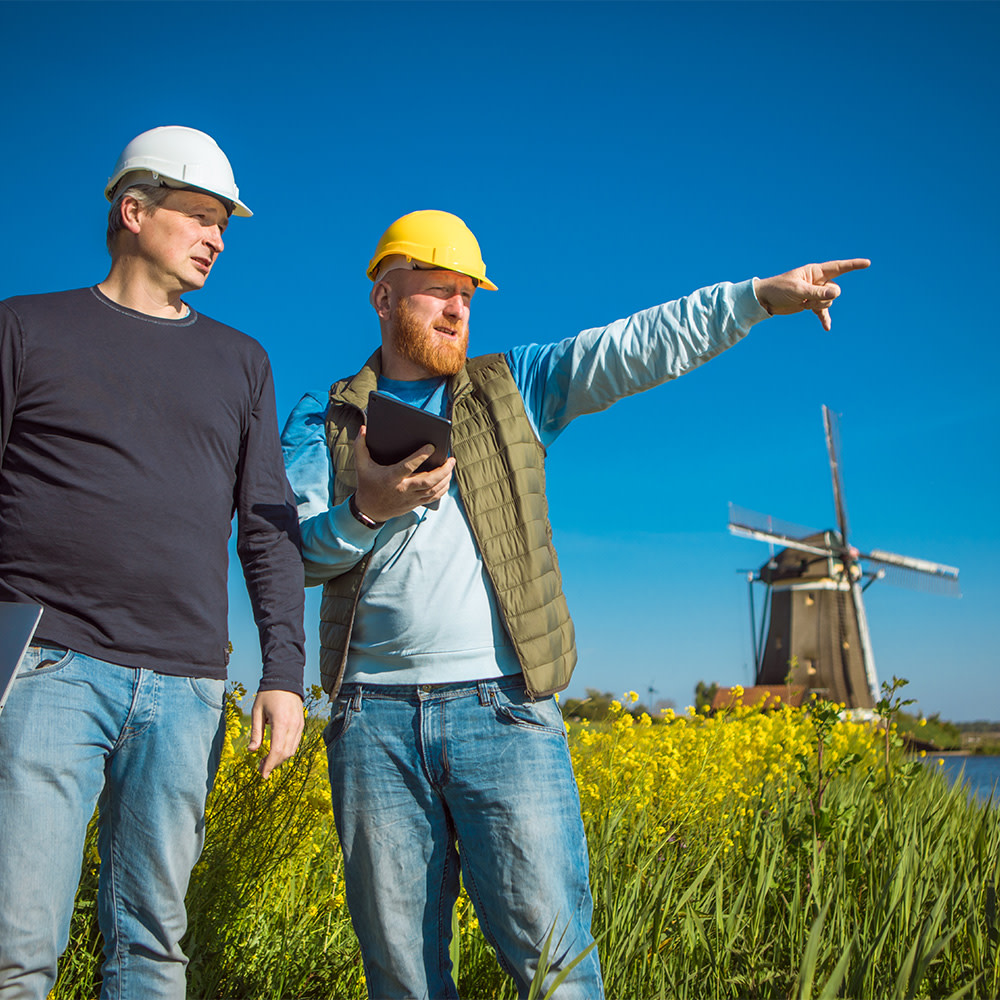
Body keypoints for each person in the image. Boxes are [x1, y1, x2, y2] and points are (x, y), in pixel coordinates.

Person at [281, 209, 869, 999]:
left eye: (468, 294)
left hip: (507, 715)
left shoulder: (514, 386)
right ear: (384, 297)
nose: (459, 310)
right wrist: (369, 508)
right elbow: (286, 557)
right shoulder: (321, 421)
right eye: (437, 293)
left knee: (557, 972)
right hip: (371, 722)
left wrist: (759, 297)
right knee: (401, 977)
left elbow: (632, 346)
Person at [0, 126, 306, 999]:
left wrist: (282, 671)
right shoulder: (23, 328)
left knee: (149, 951)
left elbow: (267, 525)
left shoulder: (242, 361)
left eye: (225, 224)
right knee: (17, 947)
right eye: (201, 216)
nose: (217, 237)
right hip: (45, 667)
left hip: (185, 688)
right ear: (133, 211)